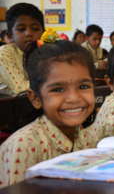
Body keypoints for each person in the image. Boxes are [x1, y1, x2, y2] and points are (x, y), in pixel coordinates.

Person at [0, 39, 102, 188]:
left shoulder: (89, 137)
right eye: (58, 89)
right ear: (35, 98)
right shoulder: (24, 146)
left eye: (83, 86)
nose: (74, 98)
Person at [0, 3, 44, 95]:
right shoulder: (5, 52)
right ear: (10, 35)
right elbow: (20, 88)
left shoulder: (43, 52)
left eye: (35, 29)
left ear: (42, 32)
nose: (29, 33)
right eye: (21, 29)